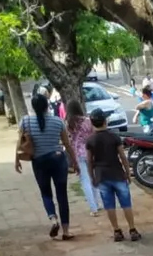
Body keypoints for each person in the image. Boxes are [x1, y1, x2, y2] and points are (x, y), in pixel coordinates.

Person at [14, 94, 79, 240]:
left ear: (33, 106)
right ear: (47, 105)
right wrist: (74, 161)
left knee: (45, 193)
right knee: (62, 195)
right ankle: (66, 231)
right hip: (58, 159)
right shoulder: (58, 121)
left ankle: (53, 219)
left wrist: (16, 159)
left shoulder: (26, 121)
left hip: (39, 161)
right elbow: (67, 144)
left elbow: (20, 142)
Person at [86, 109, 140, 242]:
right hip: (117, 173)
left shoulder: (90, 140)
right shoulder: (114, 137)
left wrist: (91, 177)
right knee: (126, 203)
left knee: (109, 205)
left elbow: (89, 161)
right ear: (105, 121)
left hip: (101, 176)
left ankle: (116, 230)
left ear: (92, 123)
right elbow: (122, 156)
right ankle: (132, 229)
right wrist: (128, 172)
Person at [66, 99, 102, 217]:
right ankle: (97, 203)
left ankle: (93, 208)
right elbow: (94, 135)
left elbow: (69, 141)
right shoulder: (88, 121)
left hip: (78, 153)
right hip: (91, 151)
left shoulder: (69, 124)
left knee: (85, 180)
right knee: (94, 177)